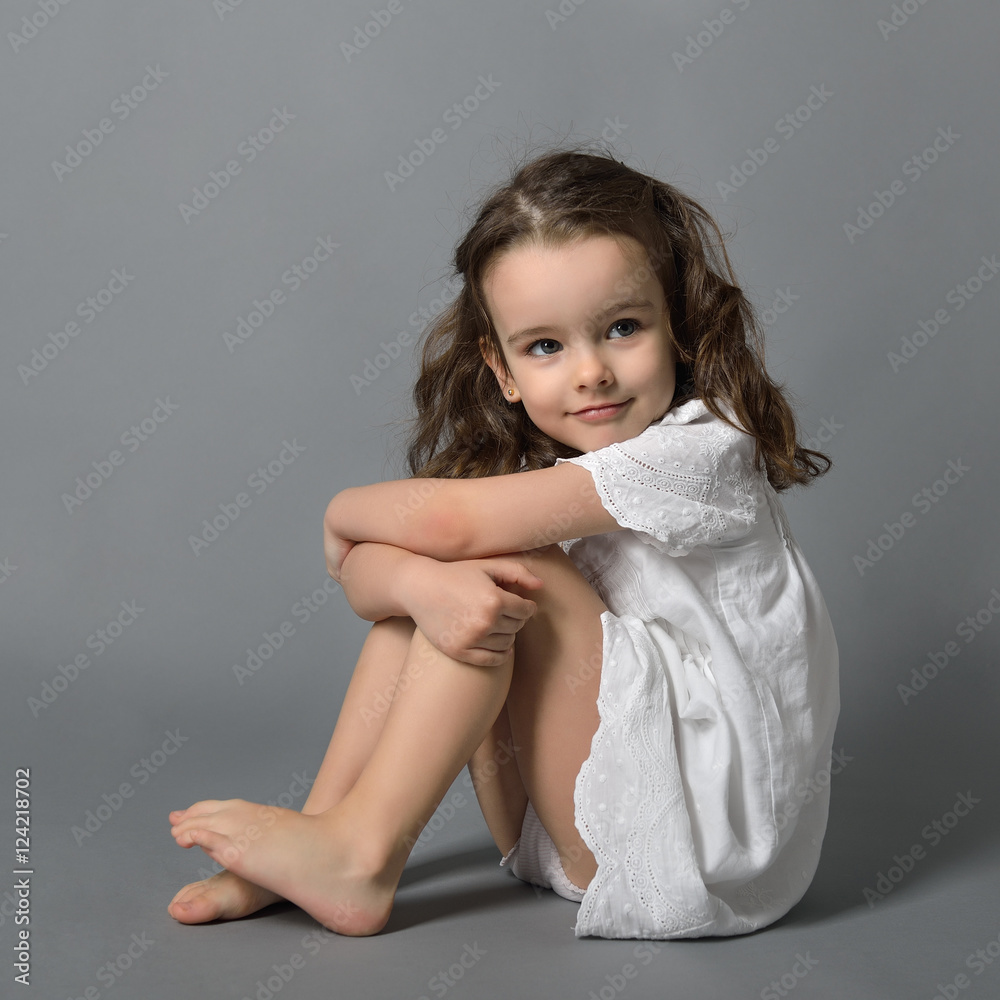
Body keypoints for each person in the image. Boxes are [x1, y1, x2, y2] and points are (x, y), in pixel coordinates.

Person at [167, 145, 839, 940]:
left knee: (497, 567)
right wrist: (420, 589)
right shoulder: (541, 472)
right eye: (545, 346)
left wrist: (341, 512)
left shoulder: (703, 453)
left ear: (679, 327)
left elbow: (450, 527)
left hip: (697, 846)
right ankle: (328, 836)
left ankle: (356, 854)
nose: (590, 371)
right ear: (504, 368)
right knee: (440, 595)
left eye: (622, 328)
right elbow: (367, 584)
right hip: (571, 815)